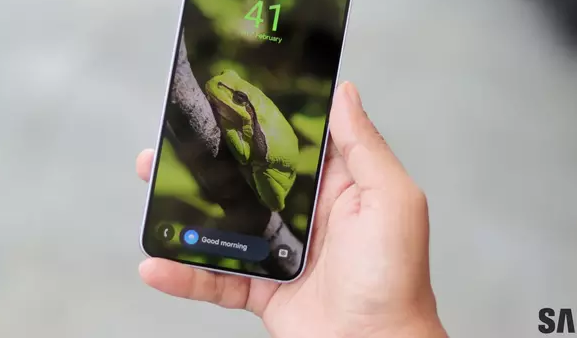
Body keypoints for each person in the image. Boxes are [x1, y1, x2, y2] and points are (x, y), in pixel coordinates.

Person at [135, 82, 448, 338]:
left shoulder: (248, 124)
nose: (225, 92)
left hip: (271, 171)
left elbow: (245, 154)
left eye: (238, 98)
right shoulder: (244, 114)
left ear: (247, 107)